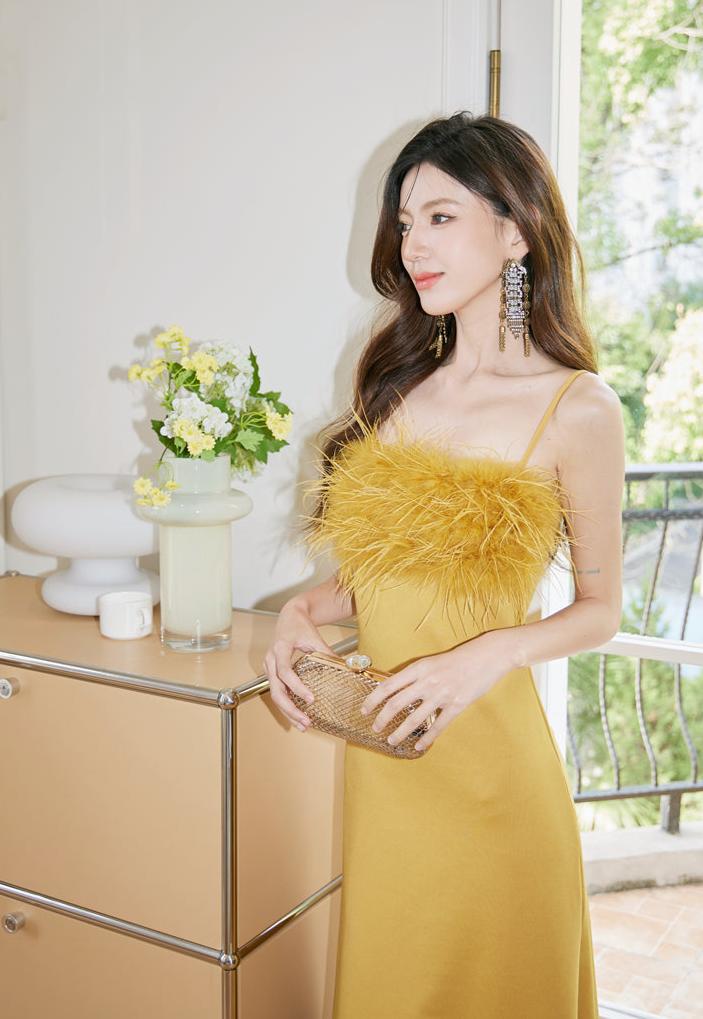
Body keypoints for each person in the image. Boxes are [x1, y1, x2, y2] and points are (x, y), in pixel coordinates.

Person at [262, 111, 624, 1018]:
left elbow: (600, 607)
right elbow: (377, 576)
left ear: (514, 232)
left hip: (496, 779)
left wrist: (486, 654)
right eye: (404, 222)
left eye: (439, 217)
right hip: (388, 768)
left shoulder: (577, 407)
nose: (411, 244)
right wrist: (300, 612)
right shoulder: (396, 387)